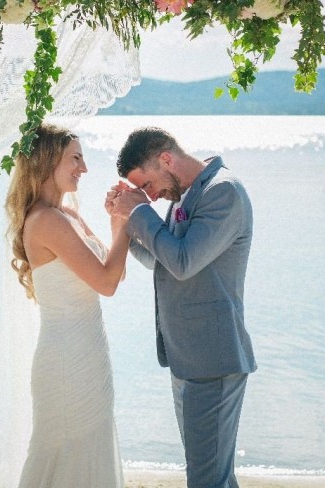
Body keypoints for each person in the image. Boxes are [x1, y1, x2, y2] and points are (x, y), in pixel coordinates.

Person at [108, 126, 256, 488]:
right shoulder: (184, 195)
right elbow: (163, 260)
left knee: (206, 479)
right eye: (141, 192)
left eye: (146, 185)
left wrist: (141, 212)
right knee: (212, 477)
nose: (150, 196)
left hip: (213, 360)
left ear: (166, 159)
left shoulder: (223, 192)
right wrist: (125, 221)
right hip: (188, 359)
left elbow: (184, 260)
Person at [5, 123, 128, 488]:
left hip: (89, 351)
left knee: (91, 444)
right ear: (47, 161)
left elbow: (112, 274)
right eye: (76, 158)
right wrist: (133, 221)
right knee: (64, 451)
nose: (84, 168)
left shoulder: (68, 215)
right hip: (66, 360)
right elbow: (106, 282)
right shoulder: (46, 221)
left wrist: (116, 220)